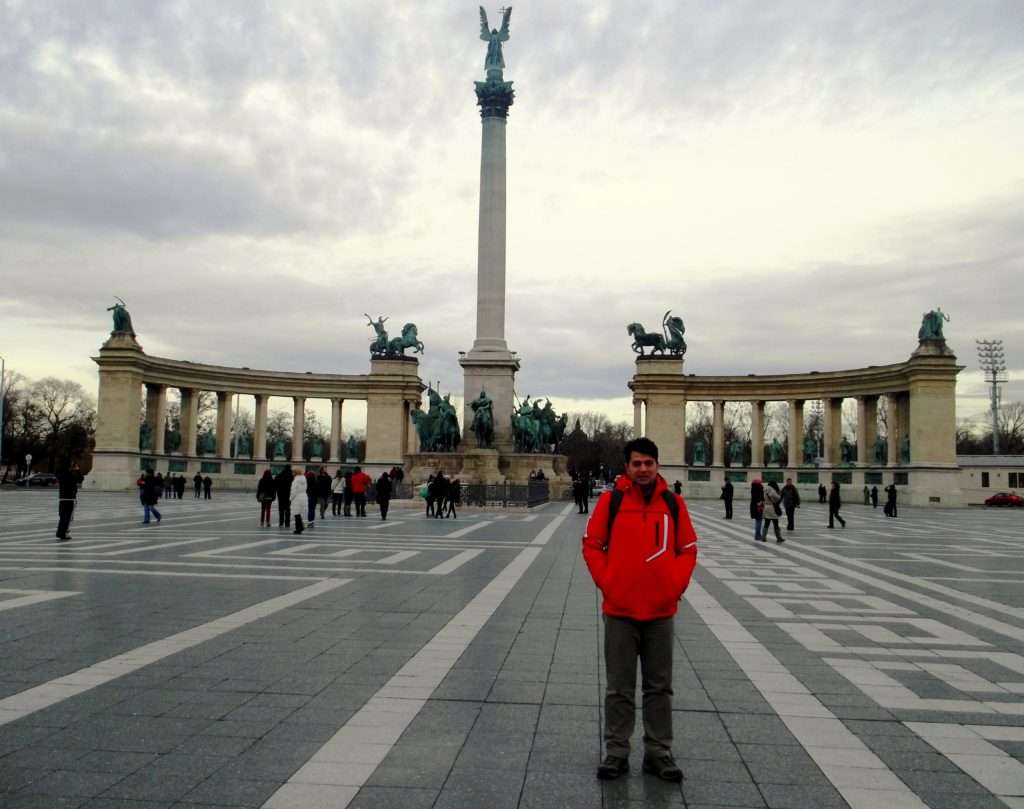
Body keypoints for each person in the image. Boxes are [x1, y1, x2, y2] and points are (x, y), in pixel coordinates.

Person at [581, 437, 697, 783]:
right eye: (637, 463)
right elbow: (592, 545)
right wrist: (609, 582)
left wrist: (673, 586)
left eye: (648, 463)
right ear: (627, 467)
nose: (643, 469)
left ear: (657, 465)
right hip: (620, 608)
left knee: (659, 686)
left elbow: (688, 548)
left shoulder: (674, 504)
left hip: (661, 610)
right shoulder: (611, 502)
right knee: (619, 687)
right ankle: (616, 752)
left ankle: (659, 751)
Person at [55, 462, 82, 542]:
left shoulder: (61, 476)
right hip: (70, 499)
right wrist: (77, 470)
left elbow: (57, 473)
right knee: (68, 518)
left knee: (62, 517)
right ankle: (64, 533)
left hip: (62, 499)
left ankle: (60, 532)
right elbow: (80, 479)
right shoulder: (72, 475)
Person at [290, 468, 307, 534]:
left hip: (297, 498)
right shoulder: (304, 479)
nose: (292, 474)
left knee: (296, 514)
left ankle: (298, 528)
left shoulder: (296, 480)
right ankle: (301, 527)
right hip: (303, 497)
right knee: (298, 513)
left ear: (295, 473)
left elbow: (293, 491)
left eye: (293, 472)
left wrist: (290, 498)